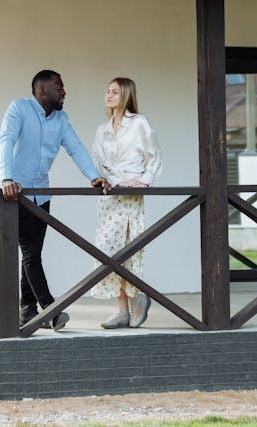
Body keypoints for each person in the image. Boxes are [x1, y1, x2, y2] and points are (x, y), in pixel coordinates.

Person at [0, 69, 110, 331]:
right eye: (59, 86)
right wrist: (6, 178)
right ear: (42, 90)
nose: (64, 91)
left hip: (42, 195)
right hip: (16, 194)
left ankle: (27, 311)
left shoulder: (61, 119)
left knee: (32, 254)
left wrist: (94, 176)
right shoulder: (19, 109)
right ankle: (51, 309)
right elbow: (6, 140)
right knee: (30, 252)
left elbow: (75, 147)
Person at [91, 77, 163, 329]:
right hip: (110, 196)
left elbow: (154, 157)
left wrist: (144, 180)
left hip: (131, 195)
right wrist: (104, 180)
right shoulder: (102, 129)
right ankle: (122, 309)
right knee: (107, 252)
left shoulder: (139, 123)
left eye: (113, 91)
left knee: (130, 250)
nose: (108, 95)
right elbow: (98, 162)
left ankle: (137, 298)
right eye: (106, 90)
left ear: (125, 95)